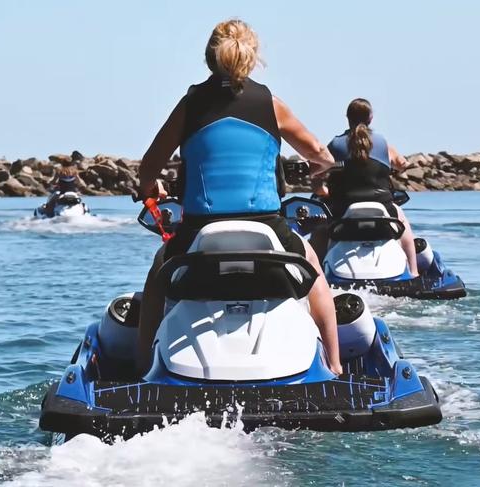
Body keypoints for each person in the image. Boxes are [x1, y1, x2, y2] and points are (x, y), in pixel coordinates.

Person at [136, 19, 342, 375]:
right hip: (268, 228)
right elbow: (320, 152)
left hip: (199, 231)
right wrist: (319, 169)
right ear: (253, 56)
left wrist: (149, 187)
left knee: (157, 277)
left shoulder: (190, 104)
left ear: (209, 58)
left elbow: (149, 165)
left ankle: (141, 369)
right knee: (315, 271)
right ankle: (336, 366)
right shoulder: (271, 104)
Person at [312, 98, 419, 277]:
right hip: (382, 206)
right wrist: (402, 166)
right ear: (370, 118)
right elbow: (401, 164)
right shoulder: (382, 143)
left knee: (320, 231)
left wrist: (323, 191)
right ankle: (414, 273)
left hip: (342, 209)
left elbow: (316, 178)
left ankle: (317, 277)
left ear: (347, 118)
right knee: (404, 225)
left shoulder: (335, 144)